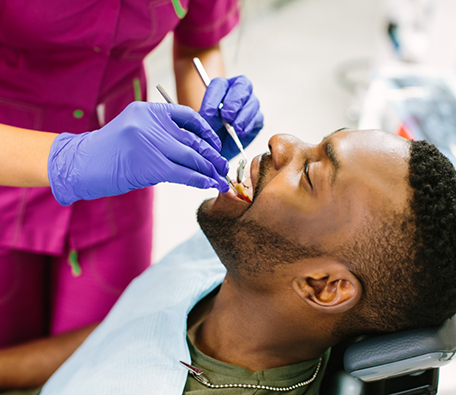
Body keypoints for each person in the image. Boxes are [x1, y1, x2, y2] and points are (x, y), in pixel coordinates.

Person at [9, 128, 456, 394]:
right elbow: (129, 330)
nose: (280, 143)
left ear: (323, 286)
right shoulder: (244, 262)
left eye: (309, 173)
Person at [0, 0, 263, 384]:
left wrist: (208, 109)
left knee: (109, 341)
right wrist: (68, 159)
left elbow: (197, 44)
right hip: (12, 164)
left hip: (122, 172)